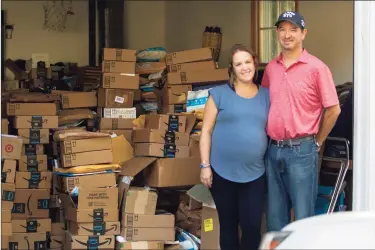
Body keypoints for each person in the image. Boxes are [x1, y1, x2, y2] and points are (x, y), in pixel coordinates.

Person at [261, 11, 341, 231]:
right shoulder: (270, 68)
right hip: (273, 149)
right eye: (282, 29)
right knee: (276, 219)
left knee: (304, 218)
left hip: (302, 151)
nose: (287, 35)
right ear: (277, 32)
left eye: (293, 29)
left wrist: (317, 142)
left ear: (303, 33)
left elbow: (333, 109)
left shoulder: (317, 68)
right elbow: (265, 103)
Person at [200, 44, 269, 250]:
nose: (244, 67)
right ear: (232, 68)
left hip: (255, 173)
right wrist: (205, 165)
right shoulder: (219, 94)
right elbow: (206, 131)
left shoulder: (267, 95)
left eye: (248, 62)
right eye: (239, 64)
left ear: (254, 64)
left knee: (251, 226)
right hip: (222, 172)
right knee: (228, 226)